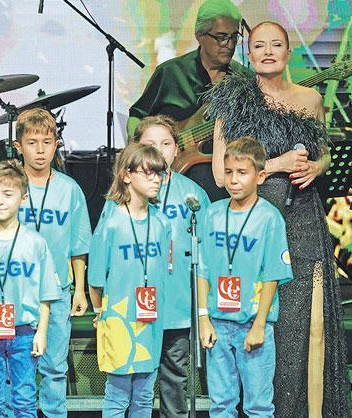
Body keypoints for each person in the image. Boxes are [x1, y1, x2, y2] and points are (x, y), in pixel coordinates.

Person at [205, 21, 348, 418]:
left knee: (304, 323)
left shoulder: (309, 98)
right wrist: (276, 164)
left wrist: (316, 167)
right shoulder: (232, 100)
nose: (267, 52)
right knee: (259, 318)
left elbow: (324, 153)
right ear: (248, 54)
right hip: (251, 223)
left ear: (288, 53)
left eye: (276, 45)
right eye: (258, 46)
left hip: (302, 219)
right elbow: (220, 175)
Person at [198, 136, 293, 416]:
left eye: (242, 172)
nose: (233, 180)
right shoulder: (212, 214)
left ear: (259, 176)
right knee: (221, 405)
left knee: (258, 406)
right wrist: (203, 319)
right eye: (228, 172)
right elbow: (202, 269)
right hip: (217, 323)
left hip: (252, 322)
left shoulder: (269, 218)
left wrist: (260, 324)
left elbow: (272, 275)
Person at [128, 0, 253, 203]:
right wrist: (141, 155)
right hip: (168, 178)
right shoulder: (170, 72)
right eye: (221, 37)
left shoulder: (245, 79)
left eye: (233, 37)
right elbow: (137, 117)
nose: (229, 45)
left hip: (224, 178)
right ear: (199, 35)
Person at [11, 108, 92, 416]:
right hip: (16, 290)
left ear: (57, 144)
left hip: (56, 291)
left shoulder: (69, 190)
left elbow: (78, 246)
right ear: (18, 146)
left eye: (47, 142)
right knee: (16, 366)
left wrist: (80, 290)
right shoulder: (9, 186)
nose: (40, 150)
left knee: (54, 366)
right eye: (32, 143)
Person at [0, 159, 59, 417]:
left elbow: (46, 295)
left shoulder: (35, 242)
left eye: (8, 194)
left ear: (23, 197)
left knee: (25, 399)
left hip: (24, 333)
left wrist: (41, 332)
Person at [133, 116, 210, 417]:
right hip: (137, 305)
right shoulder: (125, 194)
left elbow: (206, 251)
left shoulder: (193, 194)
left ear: (177, 149)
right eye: (150, 143)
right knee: (137, 377)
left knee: (175, 375)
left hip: (178, 305)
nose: (159, 150)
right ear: (136, 148)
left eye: (166, 143)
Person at [89, 143, 171, 417]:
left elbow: (163, 273)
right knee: (117, 395)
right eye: (148, 173)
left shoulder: (161, 223)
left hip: (151, 319)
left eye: (159, 174)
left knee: (145, 397)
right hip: (119, 318)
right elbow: (96, 278)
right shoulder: (111, 222)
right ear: (126, 175)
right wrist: (100, 312)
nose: (156, 180)